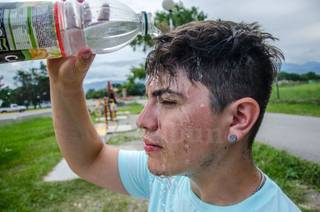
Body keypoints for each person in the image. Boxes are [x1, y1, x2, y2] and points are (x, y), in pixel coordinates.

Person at [47, 20, 300, 211]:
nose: (142, 121)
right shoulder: (173, 176)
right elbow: (89, 160)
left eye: (167, 101)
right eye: (149, 99)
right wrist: (64, 85)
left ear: (237, 119)